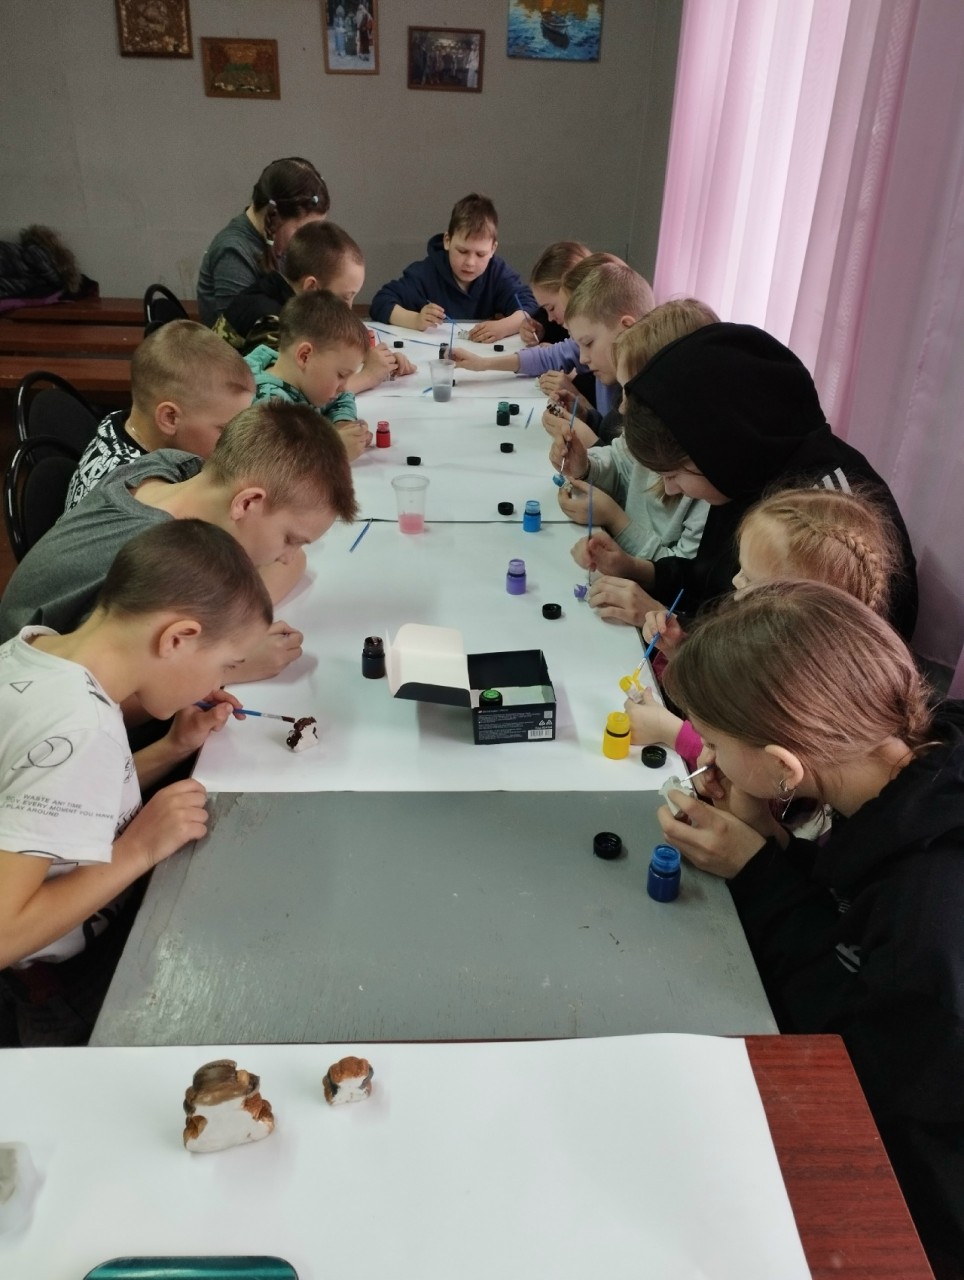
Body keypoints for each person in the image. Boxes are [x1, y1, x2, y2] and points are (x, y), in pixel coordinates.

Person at [656, 580, 964, 1276]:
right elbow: (852, 913)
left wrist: (758, 875)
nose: (706, 761)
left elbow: (843, 1051)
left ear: (782, 766)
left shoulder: (925, 922)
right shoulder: (921, 760)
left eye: (716, 743)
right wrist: (778, 844)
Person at [0, 520, 273, 1045]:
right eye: (225, 665)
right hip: (62, 985)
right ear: (178, 638)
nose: (217, 684)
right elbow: (5, 933)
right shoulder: (80, 729)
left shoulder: (37, 652)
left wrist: (171, 749)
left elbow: (55, 803)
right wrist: (138, 849)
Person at [582, 323, 919, 639]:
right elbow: (714, 582)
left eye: (673, 475)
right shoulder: (743, 467)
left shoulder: (817, 519)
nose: (670, 489)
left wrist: (671, 626)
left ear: (716, 451)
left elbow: (784, 657)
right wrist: (637, 569)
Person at [0, 401, 358, 684]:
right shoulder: (157, 558)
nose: (289, 555)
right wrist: (232, 665)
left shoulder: (179, 468)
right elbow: (104, 692)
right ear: (247, 503)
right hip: (32, 697)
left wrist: (230, 629)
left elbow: (291, 566)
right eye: (290, 539)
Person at [628, 485, 900, 763]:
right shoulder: (755, 639)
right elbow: (715, 698)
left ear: (797, 608)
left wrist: (672, 733)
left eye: (749, 579)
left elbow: (755, 774)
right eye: (740, 568)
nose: (735, 581)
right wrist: (677, 650)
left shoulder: (795, 691)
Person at [558, 298, 716, 563]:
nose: (621, 408)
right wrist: (585, 466)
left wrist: (614, 520)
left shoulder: (707, 486)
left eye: (632, 393)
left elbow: (680, 571)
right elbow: (620, 461)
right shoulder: (646, 434)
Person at [65, 321, 254, 511]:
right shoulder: (135, 498)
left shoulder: (122, 423)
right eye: (225, 429)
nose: (237, 441)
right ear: (170, 418)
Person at [214, 220, 415, 387]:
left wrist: (370, 359)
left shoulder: (297, 302)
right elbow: (288, 393)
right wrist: (368, 376)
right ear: (311, 287)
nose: (349, 310)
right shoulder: (270, 318)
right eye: (345, 298)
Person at [368, 193, 536, 338]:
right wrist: (415, 320)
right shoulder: (425, 273)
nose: (470, 262)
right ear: (447, 241)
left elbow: (530, 306)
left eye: (480, 254)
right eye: (462, 251)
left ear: (493, 249)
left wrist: (504, 327)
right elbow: (381, 302)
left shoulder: (497, 273)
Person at [196, 158, 330, 326]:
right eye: (302, 230)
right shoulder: (232, 252)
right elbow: (238, 333)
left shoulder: (280, 241)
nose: (308, 239)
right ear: (273, 215)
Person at [245, 291, 373, 461]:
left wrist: (342, 422)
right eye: (341, 375)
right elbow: (275, 463)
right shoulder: (269, 405)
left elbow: (343, 397)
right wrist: (333, 450)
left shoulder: (306, 383)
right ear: (304, 356)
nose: (343, 386)